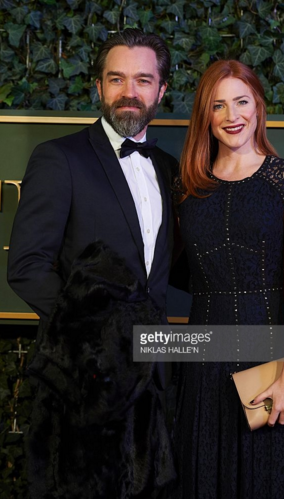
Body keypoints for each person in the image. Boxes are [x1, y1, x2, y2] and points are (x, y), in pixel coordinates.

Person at [7, 28, 178, 497]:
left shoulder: (169, 170)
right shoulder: (59, 159)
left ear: (161, 90)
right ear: (99, 87)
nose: (129, 92)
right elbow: (26, 266)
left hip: (154, 380)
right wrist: (95, 339)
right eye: (117, 79)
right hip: (81, 386)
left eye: (143, 80)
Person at [169, 60, 284, 499]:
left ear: (258, 107)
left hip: (272, 356)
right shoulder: (186, 189)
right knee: (203, 477)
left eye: (241, 101)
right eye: (218, 105)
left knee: (267, 478)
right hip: (203, 357)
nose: (232, 115)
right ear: (206, 117)